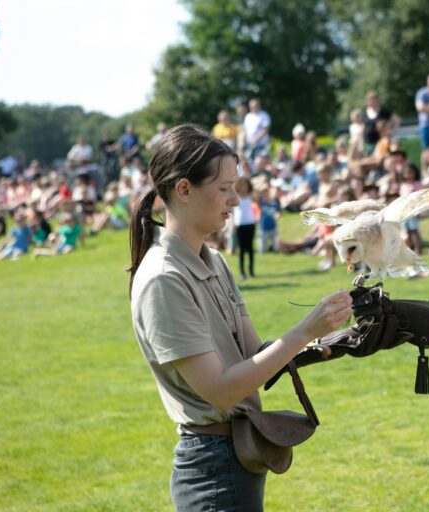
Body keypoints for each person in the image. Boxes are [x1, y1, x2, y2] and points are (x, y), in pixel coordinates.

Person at [128, 124, 352, 511]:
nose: (236, 198)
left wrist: (342, 340)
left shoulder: (212, 260)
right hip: (212, 465)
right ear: (184, 190)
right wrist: (304, 330)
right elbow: (223, 390)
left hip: (240, 453)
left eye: (236, 186)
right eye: (224, 188)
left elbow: (255, 354)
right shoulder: (163, 279)